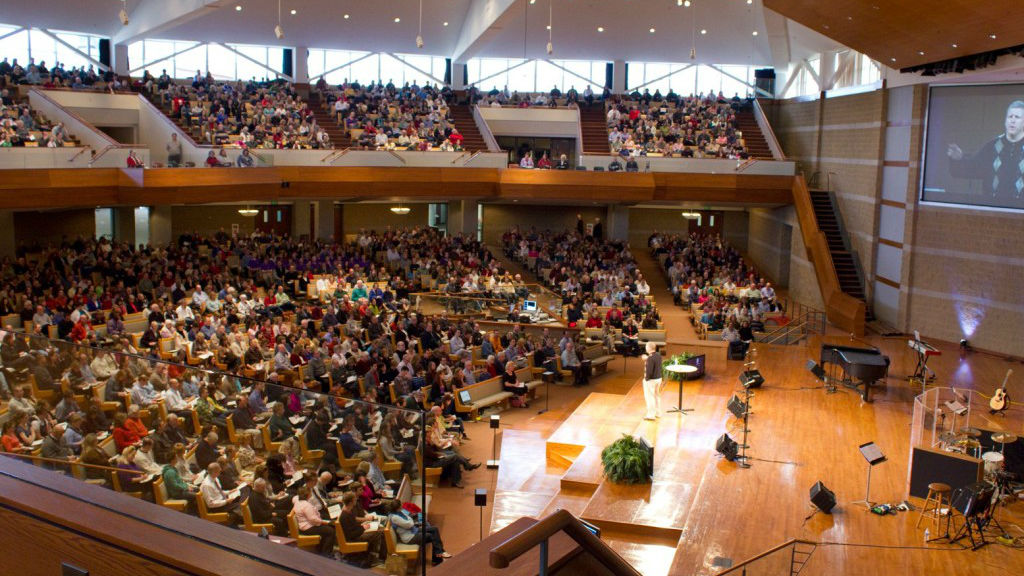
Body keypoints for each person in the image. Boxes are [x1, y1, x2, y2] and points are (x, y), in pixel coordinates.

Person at [947, 100, 1024, 200]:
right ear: (1005, 121)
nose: (1012, 120)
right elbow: (972, 168)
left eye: (1017, 117)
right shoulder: (992, 147)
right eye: (1010, 117)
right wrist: (958, 159)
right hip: (992, 210)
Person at [386, 498, 451, 565]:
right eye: (400, 505)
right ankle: (438, 558)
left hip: (413, 531)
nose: (402, 506)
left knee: (434, 529)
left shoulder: (399, 513)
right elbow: (409, 524)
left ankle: (439, 554)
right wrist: (410, 520)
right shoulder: (394, 517)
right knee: (431, 536)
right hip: (409, 537)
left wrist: (410, 520)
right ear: (397, 508)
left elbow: (409, 519)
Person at [642, 342, 662, 421]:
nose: (645, 348)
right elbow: (654, 361)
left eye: (646, 347)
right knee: (657, 396)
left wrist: (646, 379)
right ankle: (658, 413)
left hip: (651, 380)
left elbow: (649, 371)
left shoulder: (650, 358)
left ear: (648, 348)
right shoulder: (658, 355)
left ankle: (651, 415)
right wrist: (647, 359)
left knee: (650, 397)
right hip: (658, 378)